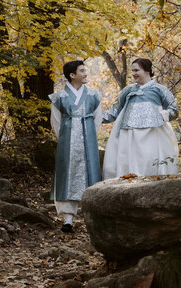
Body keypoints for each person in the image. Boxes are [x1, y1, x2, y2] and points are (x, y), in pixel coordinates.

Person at [101, 57, 179, 178]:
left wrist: (162, 115)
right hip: (128, 135)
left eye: (136, 70)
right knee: (128, 162)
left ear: (147, 71)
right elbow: (114, 111)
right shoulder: (127, 90)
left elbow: (174, 110)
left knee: (150, 160)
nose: (133, 74)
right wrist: (94, 118)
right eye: (132, 71)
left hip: (153, 133)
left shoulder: (160, 89)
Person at [49, 59, 103, 233]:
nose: (85, 74)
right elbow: (56, 122)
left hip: (89, 140)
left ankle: (91, 215)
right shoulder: (59, 97)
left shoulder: (94, 96)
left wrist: (88, 135)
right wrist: (65, 138)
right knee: (67, 175)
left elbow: (98, 118)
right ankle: (68, 218)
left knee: (91, 173)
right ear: (72, 75)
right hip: (67, 142)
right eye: (82, 71)